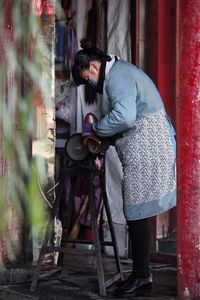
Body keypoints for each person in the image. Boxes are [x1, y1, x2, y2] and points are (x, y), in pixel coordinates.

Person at [72, 43, 176, 297]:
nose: (91, 85)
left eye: (88, 78)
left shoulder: (119, 75)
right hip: (142, 146)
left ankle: (142, 277)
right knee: (136, 212)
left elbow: (125, 117)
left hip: (148, 146)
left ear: (93, 66)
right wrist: (105, 138)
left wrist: (96, 131)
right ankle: (141, 275)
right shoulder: (118, 75)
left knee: (137, 212)